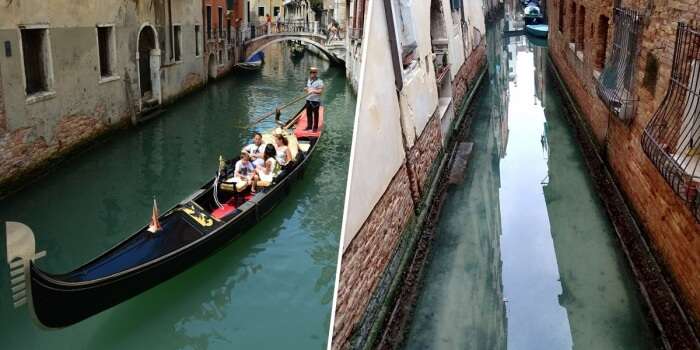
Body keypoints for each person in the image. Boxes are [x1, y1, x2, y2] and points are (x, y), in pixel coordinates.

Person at [304, 67, 324, 131]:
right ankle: (309, 126)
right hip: (308, 100)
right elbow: (307, 88)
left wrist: (313, 91)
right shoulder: (309, 80)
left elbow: (320, 91)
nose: (312, 73)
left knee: (315, 115)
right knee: (308, 114)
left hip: (315, 101)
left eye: (314, 72)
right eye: (311, 72)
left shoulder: (320, 81)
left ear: (316, 73)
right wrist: (306, 89)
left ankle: (315, 128)